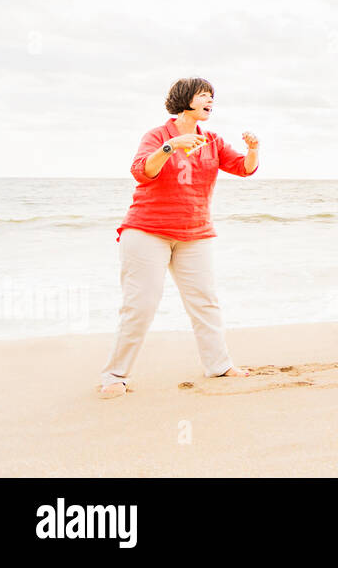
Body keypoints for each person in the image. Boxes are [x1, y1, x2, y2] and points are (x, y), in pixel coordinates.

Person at [98, 77, 261, 398]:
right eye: (204, 96)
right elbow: (142, 171)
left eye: (212, 97)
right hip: (147, 231)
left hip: (195, 233)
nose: (210, 101)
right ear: (186, 99)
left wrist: (253, 150)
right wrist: (171, 147)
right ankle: (114, 374)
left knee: (205, 301)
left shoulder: (213, 140)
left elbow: (243, 168)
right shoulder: (158, 135)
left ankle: (219, 365)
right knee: (141, 304)